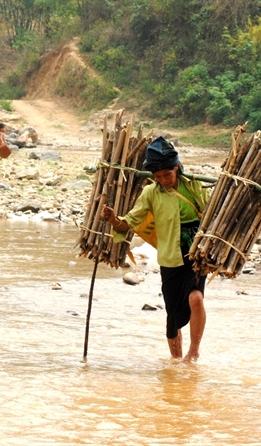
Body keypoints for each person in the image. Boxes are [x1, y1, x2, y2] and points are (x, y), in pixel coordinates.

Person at [100, 136, 210, 362]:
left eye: (167, 175)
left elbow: (213, 214)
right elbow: (130, 221)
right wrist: (113, 220)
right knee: (173, 317)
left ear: (176, 167)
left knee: (196, 298)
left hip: (196, 254)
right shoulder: (150, 193)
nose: (163, 180)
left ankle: (194, 351)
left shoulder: (194, 186)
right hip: (170, 257)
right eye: (157, 177)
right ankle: (176, 361)